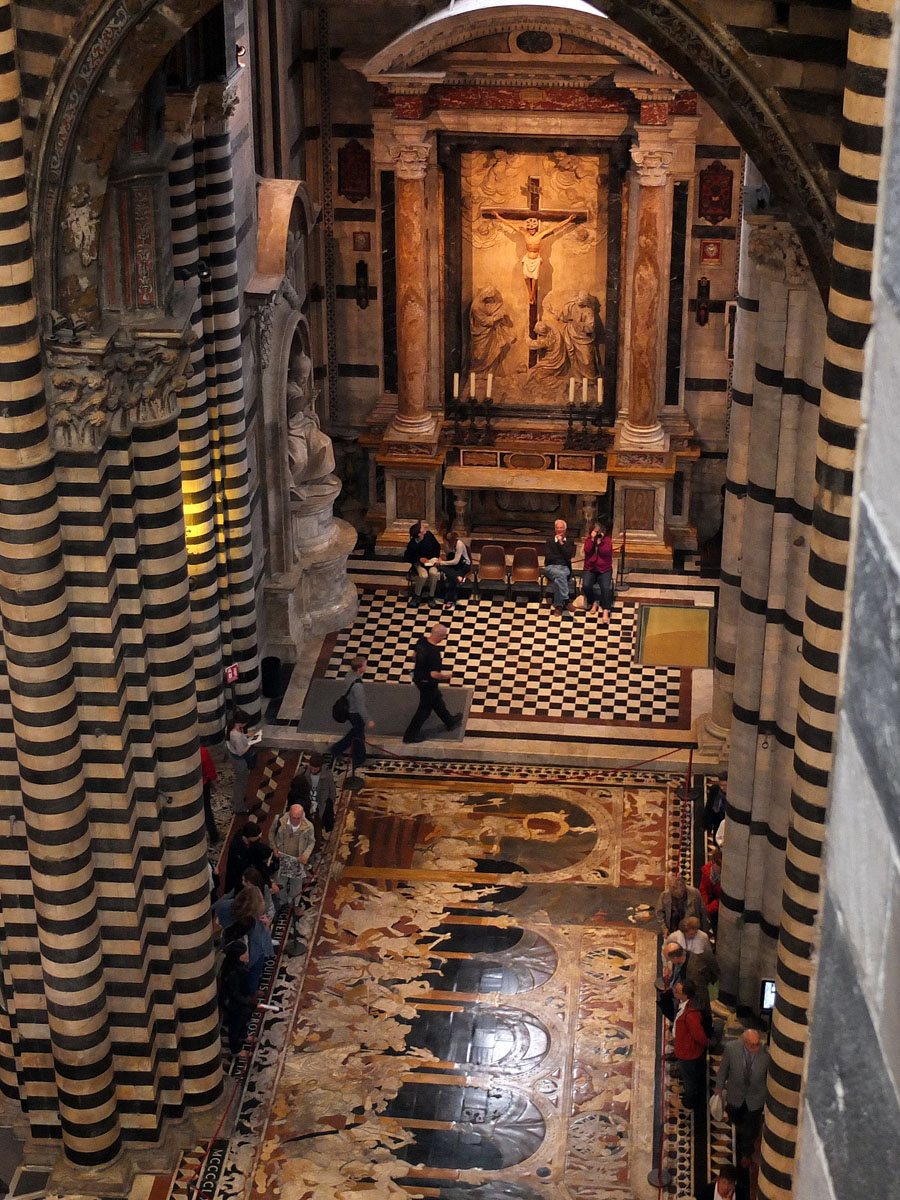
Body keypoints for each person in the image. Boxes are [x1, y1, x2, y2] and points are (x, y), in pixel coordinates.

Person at [715, 1028, 770, 1165]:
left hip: (755, 1097)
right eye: (752, 1045)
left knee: (750, 1126)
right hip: (735, 1095)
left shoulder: (766, 1054)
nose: (756, 1048)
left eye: (758, 1044)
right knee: (736, 1117)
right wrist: (719, 1088)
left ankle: (746, 1152)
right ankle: (740, 1130)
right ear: (744, 1042)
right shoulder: (731, 1049)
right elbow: (723, 1070)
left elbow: (769, 1077)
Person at [403, 623, 463, 744]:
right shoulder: (434, 653)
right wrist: (446, 677)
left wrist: (421, 665)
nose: (444, 639)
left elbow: (414, 656)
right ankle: (410, 736)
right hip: (428, 682)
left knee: (437, 700)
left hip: (418, 677)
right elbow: (434, 674)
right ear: (440, 636)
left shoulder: (421, 641)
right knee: (424, 709)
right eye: (444, 636)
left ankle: (450, 721)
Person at [220, 884, 273, 992]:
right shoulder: (250, 919)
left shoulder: (225, 905)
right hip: (234, 950)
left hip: (231, 945)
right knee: (258, 957)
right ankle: (251, 992)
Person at [328, 655, 371, 781]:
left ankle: (357, 757)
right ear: (360, 668)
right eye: (365, 664)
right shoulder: (357, 686)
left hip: (349, 709)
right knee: (356, 734)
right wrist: (368, 720)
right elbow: (360, 706)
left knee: (358, 734)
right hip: (355, 712)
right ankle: (342, 751)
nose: (366, 666)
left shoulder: (350, 675)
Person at [271, 802, 316, 911]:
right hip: (282, 858)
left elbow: (311, 842)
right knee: (281, 881)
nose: (295, 821)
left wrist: (305, 855)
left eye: (298, 818)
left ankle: (294, 902)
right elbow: (271, 834)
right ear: (289, 814)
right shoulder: (279, 820)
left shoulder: (308, 826)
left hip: (297, 859)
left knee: (296, 883)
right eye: (293, 818)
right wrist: (274, 848)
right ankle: (282, 900)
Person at [672, 978, 708, 1111]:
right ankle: (688, 1091)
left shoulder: (691, 1016)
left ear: (686, 995)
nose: (675, 992)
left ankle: (688, 1103)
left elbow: (699, 1036)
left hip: (688, 1053)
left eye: (678, 991)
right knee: (688, 1076)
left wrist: (702, 1045)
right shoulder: (685, 1005)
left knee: (690, 1079)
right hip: (685, 1048)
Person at [662, 939, 720, 1020]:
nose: (669, 961)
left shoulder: (694, 974)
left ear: (675, 958)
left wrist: (688, 1015)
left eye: (669, 959)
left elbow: (701, 999)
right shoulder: (685, 954)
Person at [218, 936, 256, 1055]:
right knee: (235, 1026)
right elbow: (234, 994)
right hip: (235, 1004)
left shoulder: (240, 968)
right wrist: (247, 1001)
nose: (247, 954)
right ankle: (236, 1049)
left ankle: (244, 1035)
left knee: (243, 1020)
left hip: (243, 1001)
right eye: (245, 953)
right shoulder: (233, 973)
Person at [289, 752, 336, 846]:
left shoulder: (327, 775)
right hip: (306, 803)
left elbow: (332, 790)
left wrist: (331, 802)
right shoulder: (302, 772)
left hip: (320, 803)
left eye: (316, 768)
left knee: (318, 824)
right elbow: (295, 786)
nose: (313, 770)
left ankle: (317, 841)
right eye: (312, 767)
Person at [223, 820, 277, 898]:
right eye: (257, 836)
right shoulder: (236, 846)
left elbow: (258, 849)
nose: (259, 837)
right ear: (250, 837)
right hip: (237, 875)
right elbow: (238, 866)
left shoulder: (253, 841)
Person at [226, 711, 260, 815]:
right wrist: (251, 742)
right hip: (239, 760)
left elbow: (236, 738)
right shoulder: (236, 736)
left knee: (239, 780)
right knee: (241, 783)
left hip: (233, 755)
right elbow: (241, 752)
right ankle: (239, 807)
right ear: (241, 723)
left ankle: (236, 799)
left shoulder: (230, 727)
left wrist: (246, 735)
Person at [403, 520, 441, 606]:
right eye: (422, 527)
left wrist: (435, 558)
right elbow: (407, 557)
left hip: (431, 561)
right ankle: (417, 595)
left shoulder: (429, 535)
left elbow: (437, 546)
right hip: (419, 564)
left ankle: (431, 596)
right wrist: (419, 559)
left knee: (433, 573)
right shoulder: (412, 544)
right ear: (419, 534)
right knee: (423, 575)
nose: (424, 527)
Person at [582, 522, 613, 621]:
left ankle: (605, 609)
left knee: (605, 587)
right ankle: (594, 601)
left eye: (599, 531)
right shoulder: (589, 540)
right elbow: (587, 550)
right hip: (590, 568)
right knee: (586, 585)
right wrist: (592, 539)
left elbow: (605, 552)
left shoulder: (607, 541)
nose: (597, 533)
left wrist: (599, 542)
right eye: (595, 531)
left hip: (604, 569)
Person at [544, 519, 576, 615]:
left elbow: (568, 555)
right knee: (560, 575)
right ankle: (566, 600)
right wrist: (561, 558)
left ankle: (558, 606)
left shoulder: (569, 541)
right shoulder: (549, 541)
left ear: (565, 529)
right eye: (557, 528)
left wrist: (561, 543)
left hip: (564, 568)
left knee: (559, 579)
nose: (559, 530)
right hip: (551, 568)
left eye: (561, 528)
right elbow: (549, 557)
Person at [439, 531, 471, 609]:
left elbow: (456, 561)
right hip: (455, 566)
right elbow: (448, 556)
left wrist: (442, 562)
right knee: (449, 575)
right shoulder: (448, 545)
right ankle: (457, 577)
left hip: (463, 565)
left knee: (444, 570)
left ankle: (450, 600)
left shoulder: (459, 544)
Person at [700, 847, 723, 932]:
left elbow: (722, 898)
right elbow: (703, 889)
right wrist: (704, 906)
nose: (713, 865)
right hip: (710, 900)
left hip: (719, 905)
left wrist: (708, 909)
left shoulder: (726, 879)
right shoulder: (707, 870)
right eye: (713, 862)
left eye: (717, 864)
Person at [200, 743, 219, 843]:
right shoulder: (202, 752)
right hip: (202, 785)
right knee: (207, 810)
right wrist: (214, 783)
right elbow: (209, 769)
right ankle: (214, 836)